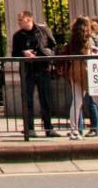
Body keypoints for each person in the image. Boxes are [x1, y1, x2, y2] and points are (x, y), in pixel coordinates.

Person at [10, 10, 60, 140]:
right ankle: (29, 128)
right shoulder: (18, 36)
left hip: (43, 68)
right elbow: (14, 53)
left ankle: (49, 128)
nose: (18, 22)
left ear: (28, 19)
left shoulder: (43, 31)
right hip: (27, 70)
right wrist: (24, 53)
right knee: (28, 100)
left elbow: (54, 47)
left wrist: (44, 55)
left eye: (20, 20)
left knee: (46, 99)